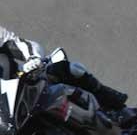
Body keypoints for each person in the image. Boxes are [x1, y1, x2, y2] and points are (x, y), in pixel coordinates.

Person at [0, 26, 128, 110]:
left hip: (26, 86)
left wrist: (33, 58)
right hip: (7, 123)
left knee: (64, 69)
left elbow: (19, 43)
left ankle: (108, 98)